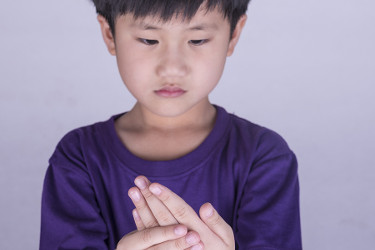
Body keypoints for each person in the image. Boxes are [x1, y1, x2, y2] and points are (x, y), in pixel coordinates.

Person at [40, 0, 302, 249]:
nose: (172, 69)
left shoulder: (263, 157)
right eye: (149, 39)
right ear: (110, 34)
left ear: (233, 35)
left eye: (197, 40)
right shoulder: (78, 159)